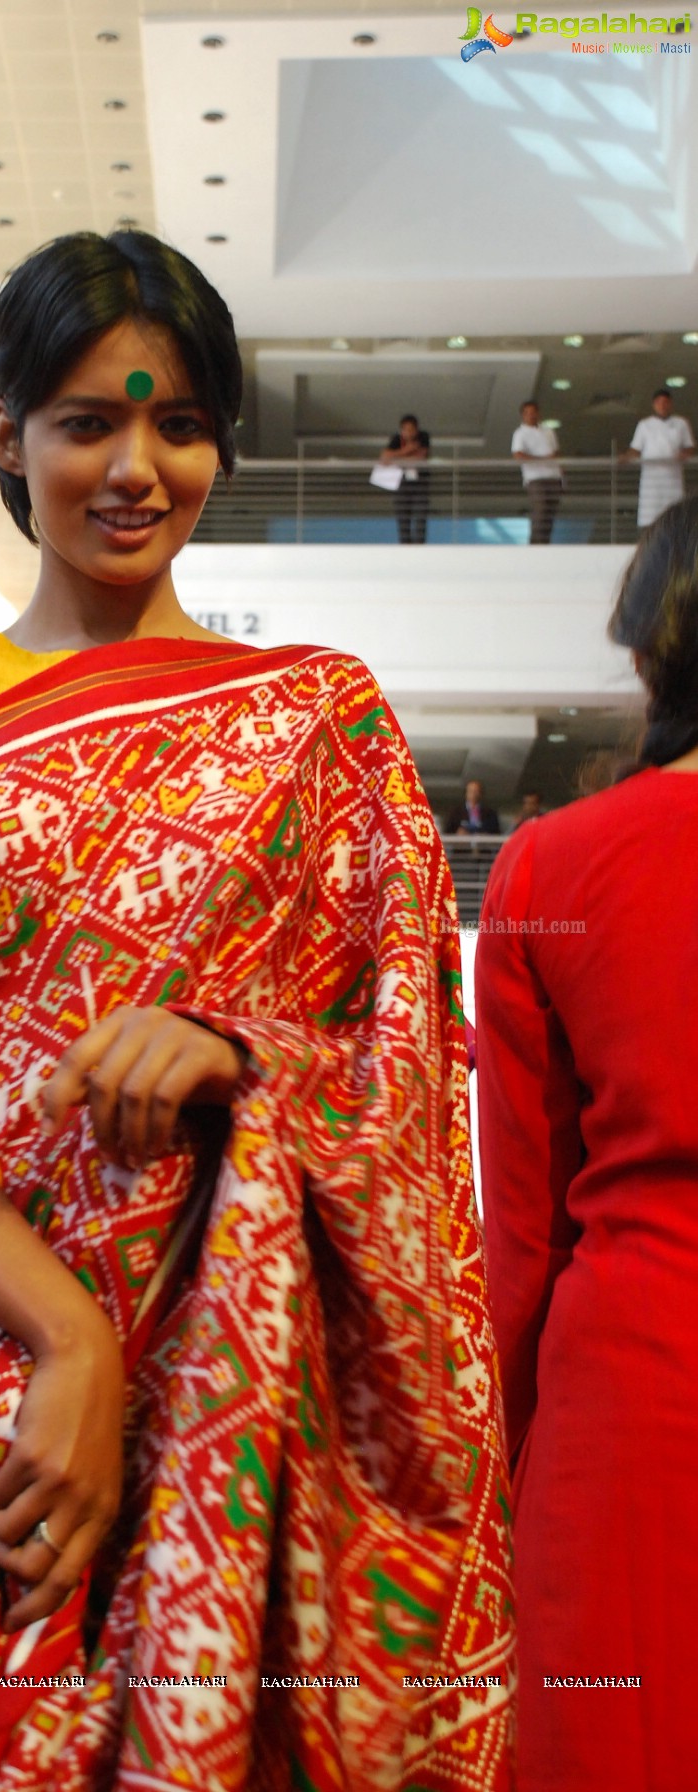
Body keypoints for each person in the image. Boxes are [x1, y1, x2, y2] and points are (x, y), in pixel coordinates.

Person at [0, 229, 514, 1790]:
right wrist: (63, 1335)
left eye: (176, 423)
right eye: (84, 421)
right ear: (3, 436)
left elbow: (405, 1054)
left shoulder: (315, 717)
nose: (134, 466)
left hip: (223, 1361)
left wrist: (247, 1055)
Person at [474, 493, 698, 1790]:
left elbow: (518, 1237)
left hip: (626, 1413)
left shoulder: (549, 871)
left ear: (640, 648)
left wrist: (491, 1461)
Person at [621, 388, 695, 530]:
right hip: (651, 481)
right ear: (654, 405)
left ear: (670, 404)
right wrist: (626, 457)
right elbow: (636, 449)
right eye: (659, 403)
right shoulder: (645, 425)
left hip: (672, 479)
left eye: (665, 402)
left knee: (674, 516)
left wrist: (684, 454)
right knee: (651, 518)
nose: (662, 406)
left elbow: (689, 446)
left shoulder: (681, 423)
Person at [511, 401, 563, 545]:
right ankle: (535, 545)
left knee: (550, 514)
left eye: (534, 412)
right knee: (540, 511)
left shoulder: (548, 431)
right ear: (523, 415)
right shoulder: (520, 433)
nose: (532, 415)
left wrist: (562, 475)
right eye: (528, 413)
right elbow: (518, 455)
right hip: (535, 478)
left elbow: (556, 454)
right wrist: (542, 460)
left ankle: (545, 544)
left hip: (553, 476)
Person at [380, 412, 431, 543]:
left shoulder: (423, 437)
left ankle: (419, 549)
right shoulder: (396, 439)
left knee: (420, 519)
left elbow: (420, 457)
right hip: (401, 484)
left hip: (420, 484)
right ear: (401, 430)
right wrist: (406, 450)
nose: (408, 433)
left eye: (411, 429)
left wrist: (396, 458)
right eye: (405, 430)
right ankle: (405, 548)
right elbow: (384, 458)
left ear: (416, 429)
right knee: (403, 519)